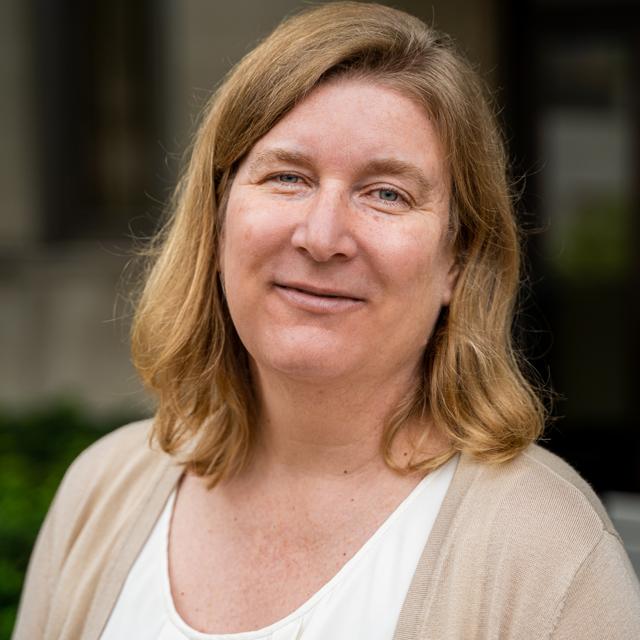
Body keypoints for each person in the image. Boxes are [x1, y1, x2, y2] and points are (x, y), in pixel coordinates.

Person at [13, 2, 640, 639]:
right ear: (218, 222)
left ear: (458, 259)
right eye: (287, 176)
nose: (322, 236)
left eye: (386, 193)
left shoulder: (549, 556)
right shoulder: (103, 491)